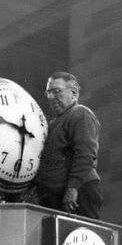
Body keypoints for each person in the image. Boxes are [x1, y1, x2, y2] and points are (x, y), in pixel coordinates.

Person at [35, 72, 104, 220]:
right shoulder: (54, 123)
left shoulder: (80, 114)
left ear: (74, 93)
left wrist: (72, 188)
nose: (52, 97)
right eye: (49, 92)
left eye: (57, 91)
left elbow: (85, 154)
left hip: (76, 195)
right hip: (55, 197)